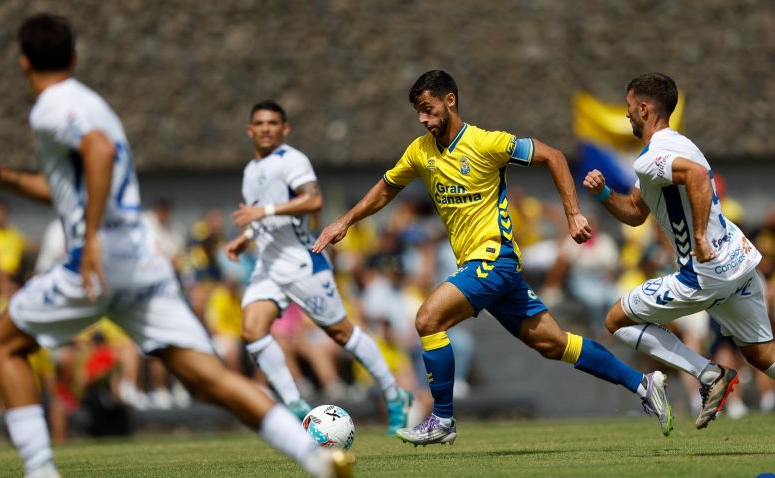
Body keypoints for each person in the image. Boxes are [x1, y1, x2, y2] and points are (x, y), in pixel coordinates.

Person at [0, 14, 352, 478]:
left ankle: (40, 472)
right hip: (141, 261)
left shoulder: (51, 105)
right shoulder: (93, 103)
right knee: (208, 378)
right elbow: (76, 182)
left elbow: (98, 152)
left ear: (23, 61)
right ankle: (317, 457)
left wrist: (89, 237)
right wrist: (4, 178)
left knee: (2, 344)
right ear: (74, 58)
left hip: (96, 260)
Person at [313, 70, 672, 445]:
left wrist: (572, 214)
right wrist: (346, 220)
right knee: (554, 343)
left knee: (427, 319)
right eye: (418, 112)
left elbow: (553, 155)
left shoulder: (487, 143)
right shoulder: (420, 152)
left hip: (493, 260)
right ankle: (644, 384)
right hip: (487, 270)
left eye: (427, 108)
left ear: (449, 100)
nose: (423, 118)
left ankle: (442, 419)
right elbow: (387, 189)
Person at [583, 72, 775, 429]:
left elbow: (698, 179)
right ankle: (713, 375)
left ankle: (709, 375)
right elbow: (636, 213)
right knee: (762, 355)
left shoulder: (652, 158)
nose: (626, 115)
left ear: (643, 108)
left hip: (704, 274)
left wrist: (699, 236)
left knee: (616, 321)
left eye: (628, 107)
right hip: (740, 261)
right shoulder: (679, 145)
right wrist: (604, 193)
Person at [225, 100, 412, 434]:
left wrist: (263, 213)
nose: (266, 128)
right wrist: (247, 236)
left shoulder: (292, 160)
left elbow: (313, 201)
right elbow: (262, 215)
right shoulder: (250, 171)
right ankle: (295, 406)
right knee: (252, 331)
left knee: (341, 332)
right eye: (260, 123)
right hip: (268, 265)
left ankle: (394, 394)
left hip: (301, 262)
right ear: (250, 130)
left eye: (273, 123)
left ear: (285, 129)